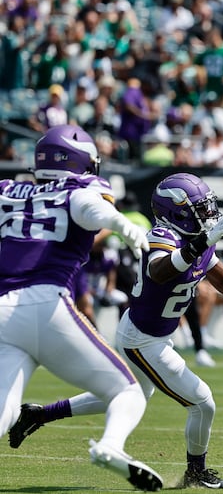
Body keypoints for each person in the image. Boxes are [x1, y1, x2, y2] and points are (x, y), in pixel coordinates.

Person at [8, 172, 223, 490]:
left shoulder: (197, 241)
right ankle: (196, 472)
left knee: (129, 394)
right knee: (203, 403)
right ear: (178, 211)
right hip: (143, 338)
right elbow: (159, 271)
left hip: (150, 333)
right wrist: (201, 242)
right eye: (199, 208)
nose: (207, 214)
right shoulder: (162, 235)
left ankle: (39, 414)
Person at [0, 125, 162, 491]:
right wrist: (120, 224)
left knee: (5, 408)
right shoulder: (83, 189)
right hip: (44, 301)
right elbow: (88, 207)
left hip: (2, 309)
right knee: (127, 391)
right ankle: (111, 446)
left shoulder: (8, 190)